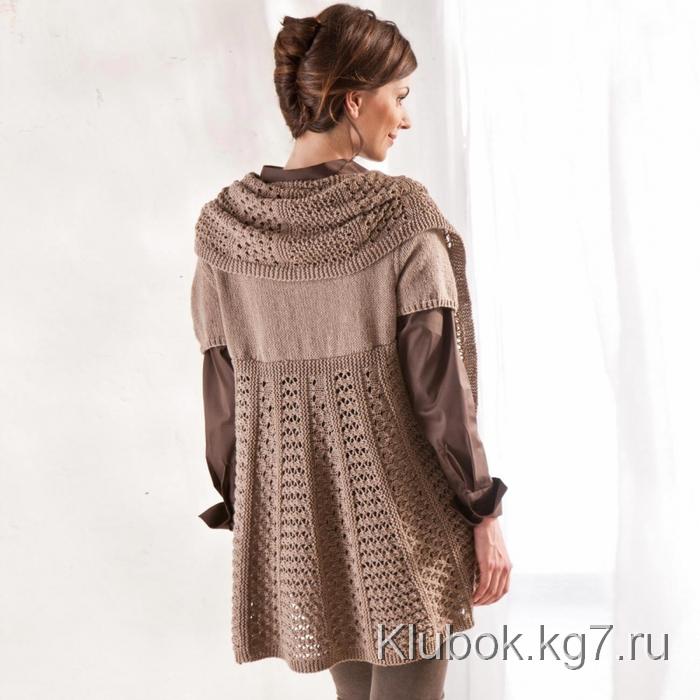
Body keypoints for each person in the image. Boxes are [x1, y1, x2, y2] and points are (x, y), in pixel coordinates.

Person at [190, 4, 512, 699]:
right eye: (399, 96)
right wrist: (483, 511)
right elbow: (439, 393)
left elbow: (222, 400)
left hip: (304, 526)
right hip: (403, 523)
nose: (406, 118)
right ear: (354, 100)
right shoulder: (400, 219)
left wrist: (249, 501)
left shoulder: (224, 232)